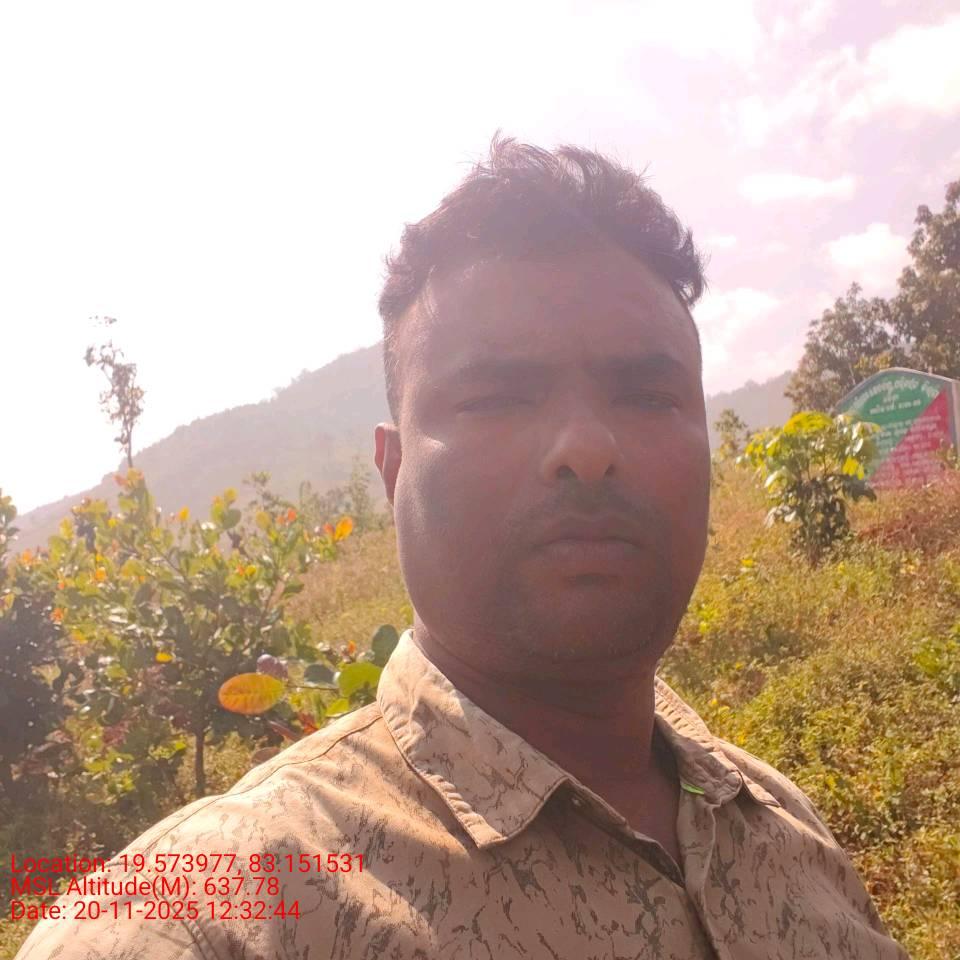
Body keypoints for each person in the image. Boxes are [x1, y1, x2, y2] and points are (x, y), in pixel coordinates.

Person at [16, 135, 909, 959]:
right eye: (497, 398)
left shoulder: (787, 828)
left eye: (647, 396)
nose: (587, 447)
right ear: (392, 469)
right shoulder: (204, 921)